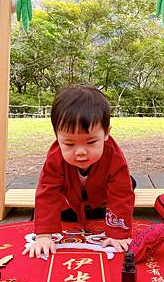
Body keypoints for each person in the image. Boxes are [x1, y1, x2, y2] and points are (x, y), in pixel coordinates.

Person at [26, 85, 135, 258]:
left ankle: (99, 207)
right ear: (57, 136)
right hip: (70, 197)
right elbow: (48, 192)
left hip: (101, 197)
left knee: (126, 185)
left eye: (91, 142)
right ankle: (77, 208)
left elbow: (121, 194)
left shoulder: (114, 157)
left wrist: (118, 235)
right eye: (69, 144)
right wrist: (44, 236)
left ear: (106, 133)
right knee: (61, 214)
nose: (80, 152)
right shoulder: (55, 158)